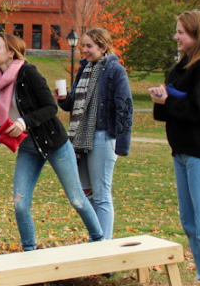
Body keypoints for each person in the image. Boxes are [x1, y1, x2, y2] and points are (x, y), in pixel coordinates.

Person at [0, 23, 103, 251]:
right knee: (20, 204)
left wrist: (23, 122)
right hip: (27, 147)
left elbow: (50, 108)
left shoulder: (29, 73)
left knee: (76, 199)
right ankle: (29, 251)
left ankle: (99, 241)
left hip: (54, 143)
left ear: (11, 53)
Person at [148, 10, 200, 286]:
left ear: (197, 35)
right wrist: (161, 101)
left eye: (181, 32)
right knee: (190, 223)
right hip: (181, 153)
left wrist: (168, 102)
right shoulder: (181, 67)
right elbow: (167, 113)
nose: (176, 37)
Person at [54, 27, 133, 241]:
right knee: (86, 194)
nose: (85, 50)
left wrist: (123, 144)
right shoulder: (83, 70)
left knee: (101, 195)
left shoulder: (115, 70)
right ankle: (97, 239)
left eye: (89, 46)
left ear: (103, 47)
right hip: (80, 137)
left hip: (102, 138)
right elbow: (74, 105)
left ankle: (102, 249)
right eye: (84, 46)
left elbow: (125, 106)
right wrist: (63, 99)